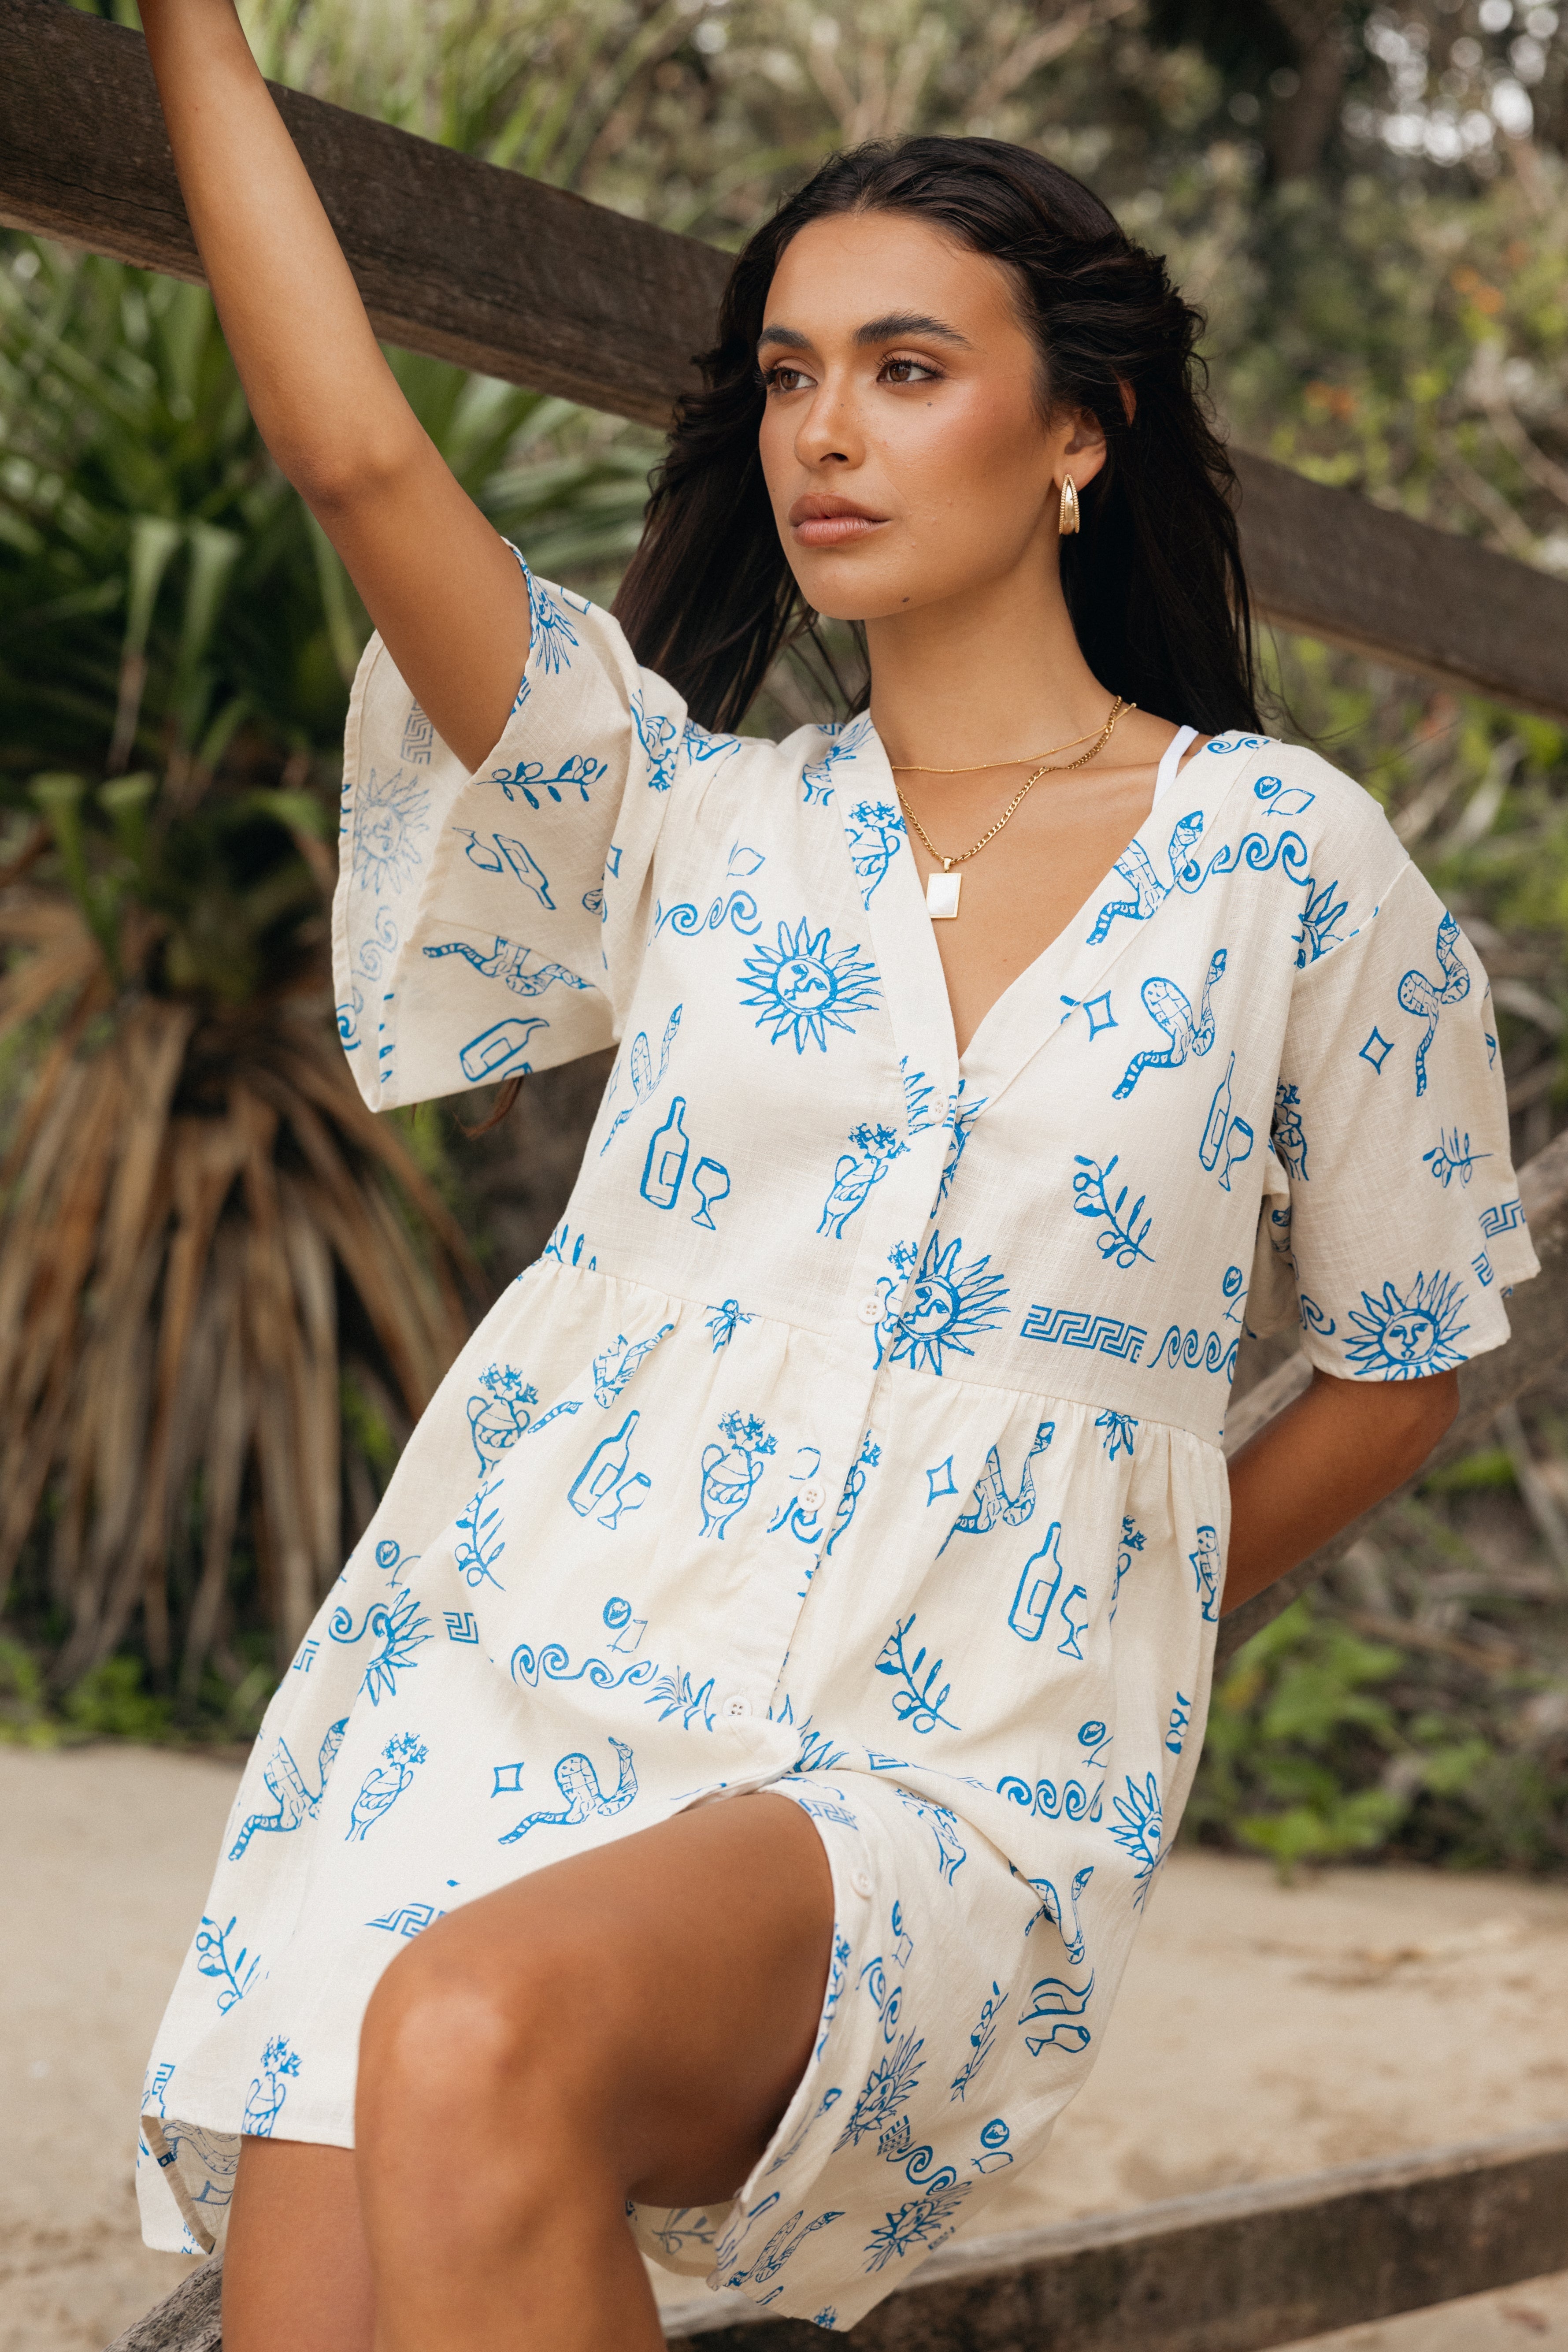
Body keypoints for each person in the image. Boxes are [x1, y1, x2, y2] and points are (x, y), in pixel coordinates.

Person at [130, 6, 1538, 2347]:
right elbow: (355, 456)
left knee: (475, 2030)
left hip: (932, 1774)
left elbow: (1402, 1368)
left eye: (905, 368)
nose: (822, 432)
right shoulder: (692, 820)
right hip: (491, 1688)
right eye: (788, 376)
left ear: (1078, 428)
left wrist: (1111, 1619)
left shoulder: (1284, 863)